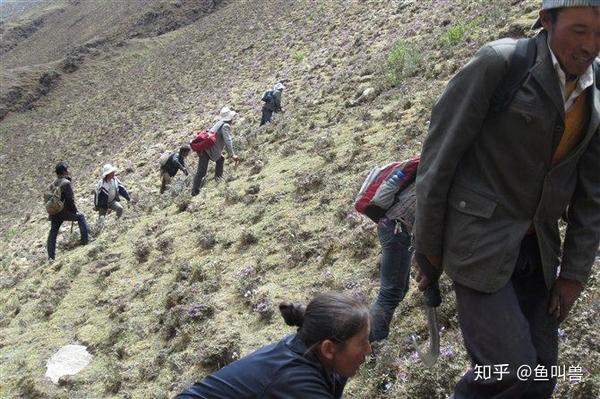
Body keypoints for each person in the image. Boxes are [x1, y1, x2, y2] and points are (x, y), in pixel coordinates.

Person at [413, 2, 600, 398]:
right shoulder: (501, 63)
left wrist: (573, 275)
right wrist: (427, 249)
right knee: (515, 373)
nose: (589, 45)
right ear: (547, 21)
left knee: (539, 380)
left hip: (539, 255)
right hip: (478, 245)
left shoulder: (596, 93)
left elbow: (592, 197)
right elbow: (439, 159)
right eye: (580, 31)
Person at [176, 292, 372, 398]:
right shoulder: (296, 380)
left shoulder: (315, 353)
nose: (369, 349)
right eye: (362, 342)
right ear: (328, 348)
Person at [369, 170, 417, 343]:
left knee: (399, 289)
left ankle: (369, 334)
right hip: (397, 230)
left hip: (394, 228)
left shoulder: (427, 168)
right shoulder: (435, 175)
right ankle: (373, 341)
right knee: (390, 293)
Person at [191, 107, 240, 196]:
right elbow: (228, 140)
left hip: (207, 149)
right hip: (208, 151)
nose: (233, 119)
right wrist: (232, 155)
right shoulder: (225, 126)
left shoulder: (219, 123)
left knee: (220, 160)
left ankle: (218, 179)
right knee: (202, 171)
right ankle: (195, 191)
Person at [47, 161, 89, 260]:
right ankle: (85, 242)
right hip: (64, 212)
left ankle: (51, 257)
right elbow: (70, 200)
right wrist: (75, 211)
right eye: (67, 169)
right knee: (81, 217)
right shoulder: (66, 183)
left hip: (54, 212)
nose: (68, 171)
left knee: (53, 232)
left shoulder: (53, 184)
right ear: (64, 171)